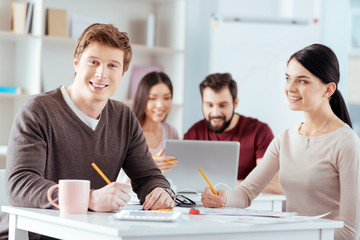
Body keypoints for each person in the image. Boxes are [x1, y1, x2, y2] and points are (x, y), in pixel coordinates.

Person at [0, 23, 175, 239]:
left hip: (89, 233)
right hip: (32, 234)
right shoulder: (37, 110)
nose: (101, 74)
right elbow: (20, 184)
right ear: (76, 62)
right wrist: (87, 199)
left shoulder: (124, 118)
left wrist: (160, 191)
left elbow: (148, 176)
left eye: (112, 66)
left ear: (123, 73)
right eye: (93, 62)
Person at [201, 44, 360, 240]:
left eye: (302, 81)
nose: (290, 88)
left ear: (328, 89)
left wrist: (291, 234)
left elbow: (349, 232)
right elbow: (245, 194)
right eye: (288, 78)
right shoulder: (285, 139)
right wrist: (222, 198)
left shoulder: (346, 143)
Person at [184, 73, 282, 194]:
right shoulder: (194, 133)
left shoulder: (259, 131)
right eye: (209, 105)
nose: (215, 113)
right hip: (203, 205)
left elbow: (275, 186)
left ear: (235, 103)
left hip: (247, 208)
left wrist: (227, 186)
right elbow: (182, 180)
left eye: (222, 105)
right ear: (202, 102)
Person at [117, 71, 179, 184]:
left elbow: (178, 174)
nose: (160, 105)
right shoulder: (126, 132)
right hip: (129, 198)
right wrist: (147, 169)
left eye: (166, 98)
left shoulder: (171, 131)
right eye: (152, 98)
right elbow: (117, 179)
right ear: (142, 99)